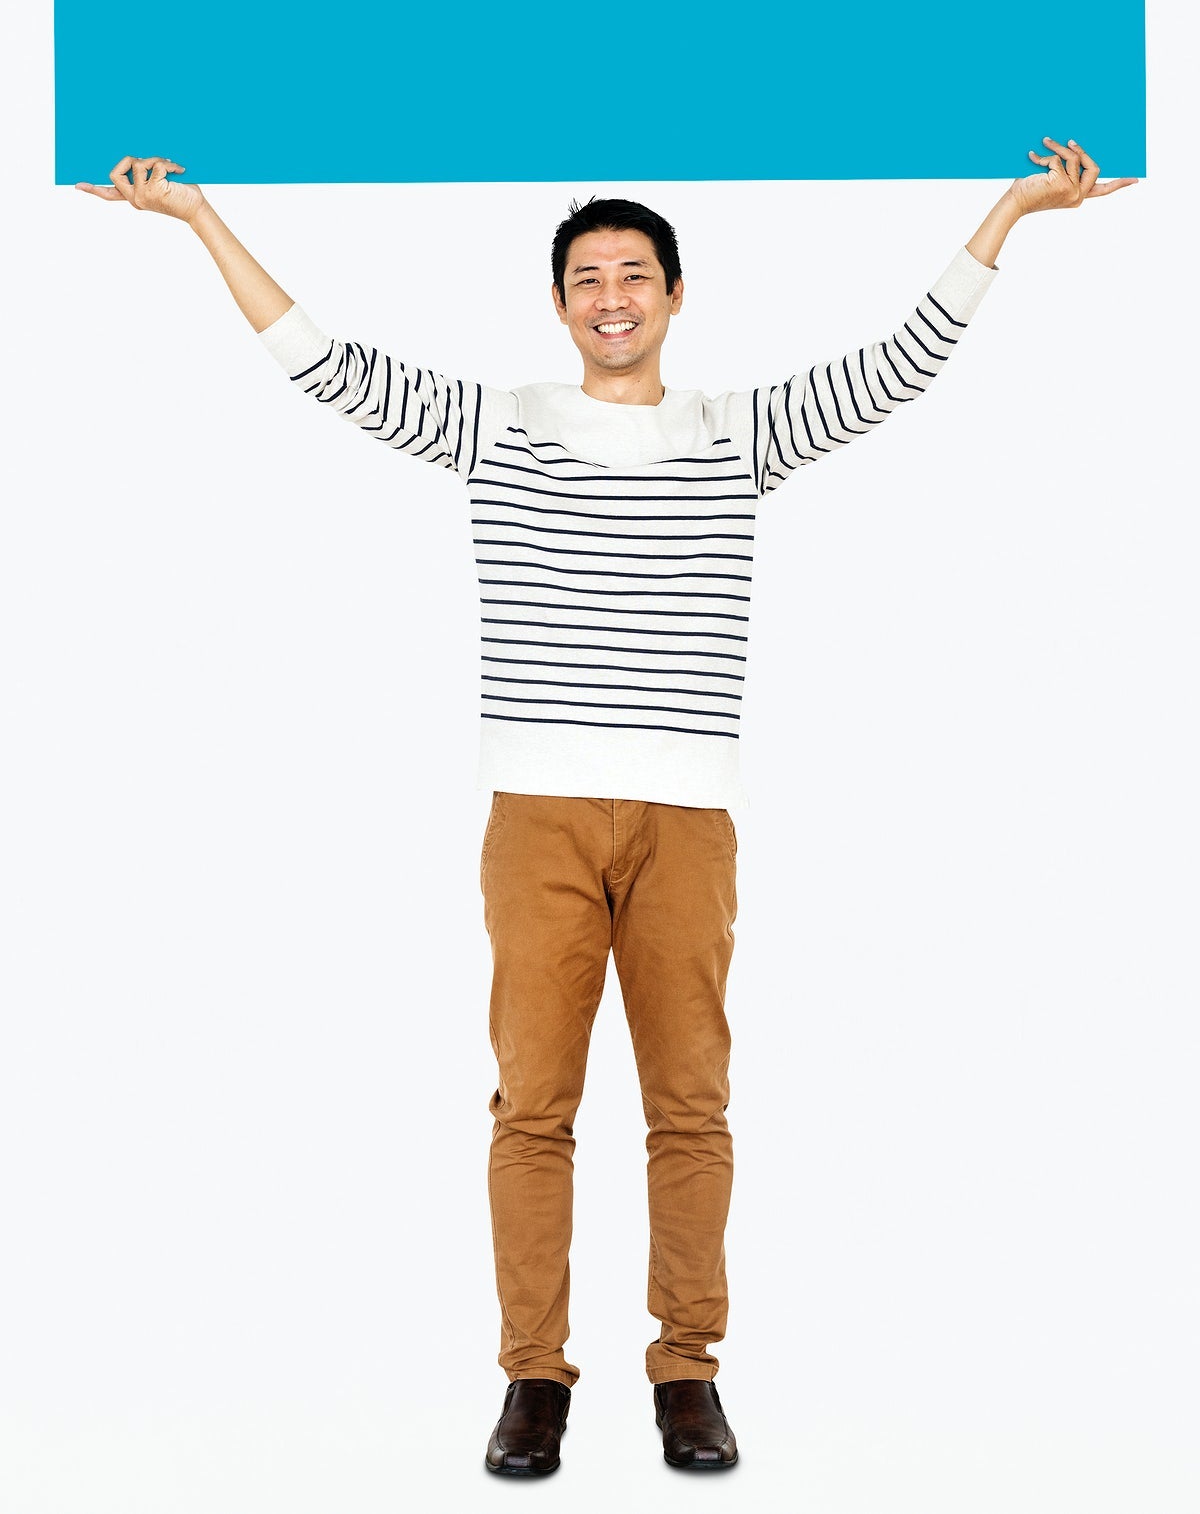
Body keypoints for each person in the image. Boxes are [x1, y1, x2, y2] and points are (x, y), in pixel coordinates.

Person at [77, 142, 1136, 1475]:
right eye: (589, 277)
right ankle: (535, 1376)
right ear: (562, 306)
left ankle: (688, 1369)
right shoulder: (502, 423)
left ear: (677, 296)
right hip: (541, 816)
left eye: (636, 273)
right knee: (535, 1104)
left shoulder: (736, 430)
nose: (613, 293)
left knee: (691, 1102)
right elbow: (323, 363)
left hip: (688, 817)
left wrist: (1013, 216)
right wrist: (195, 219)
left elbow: (897, 366)